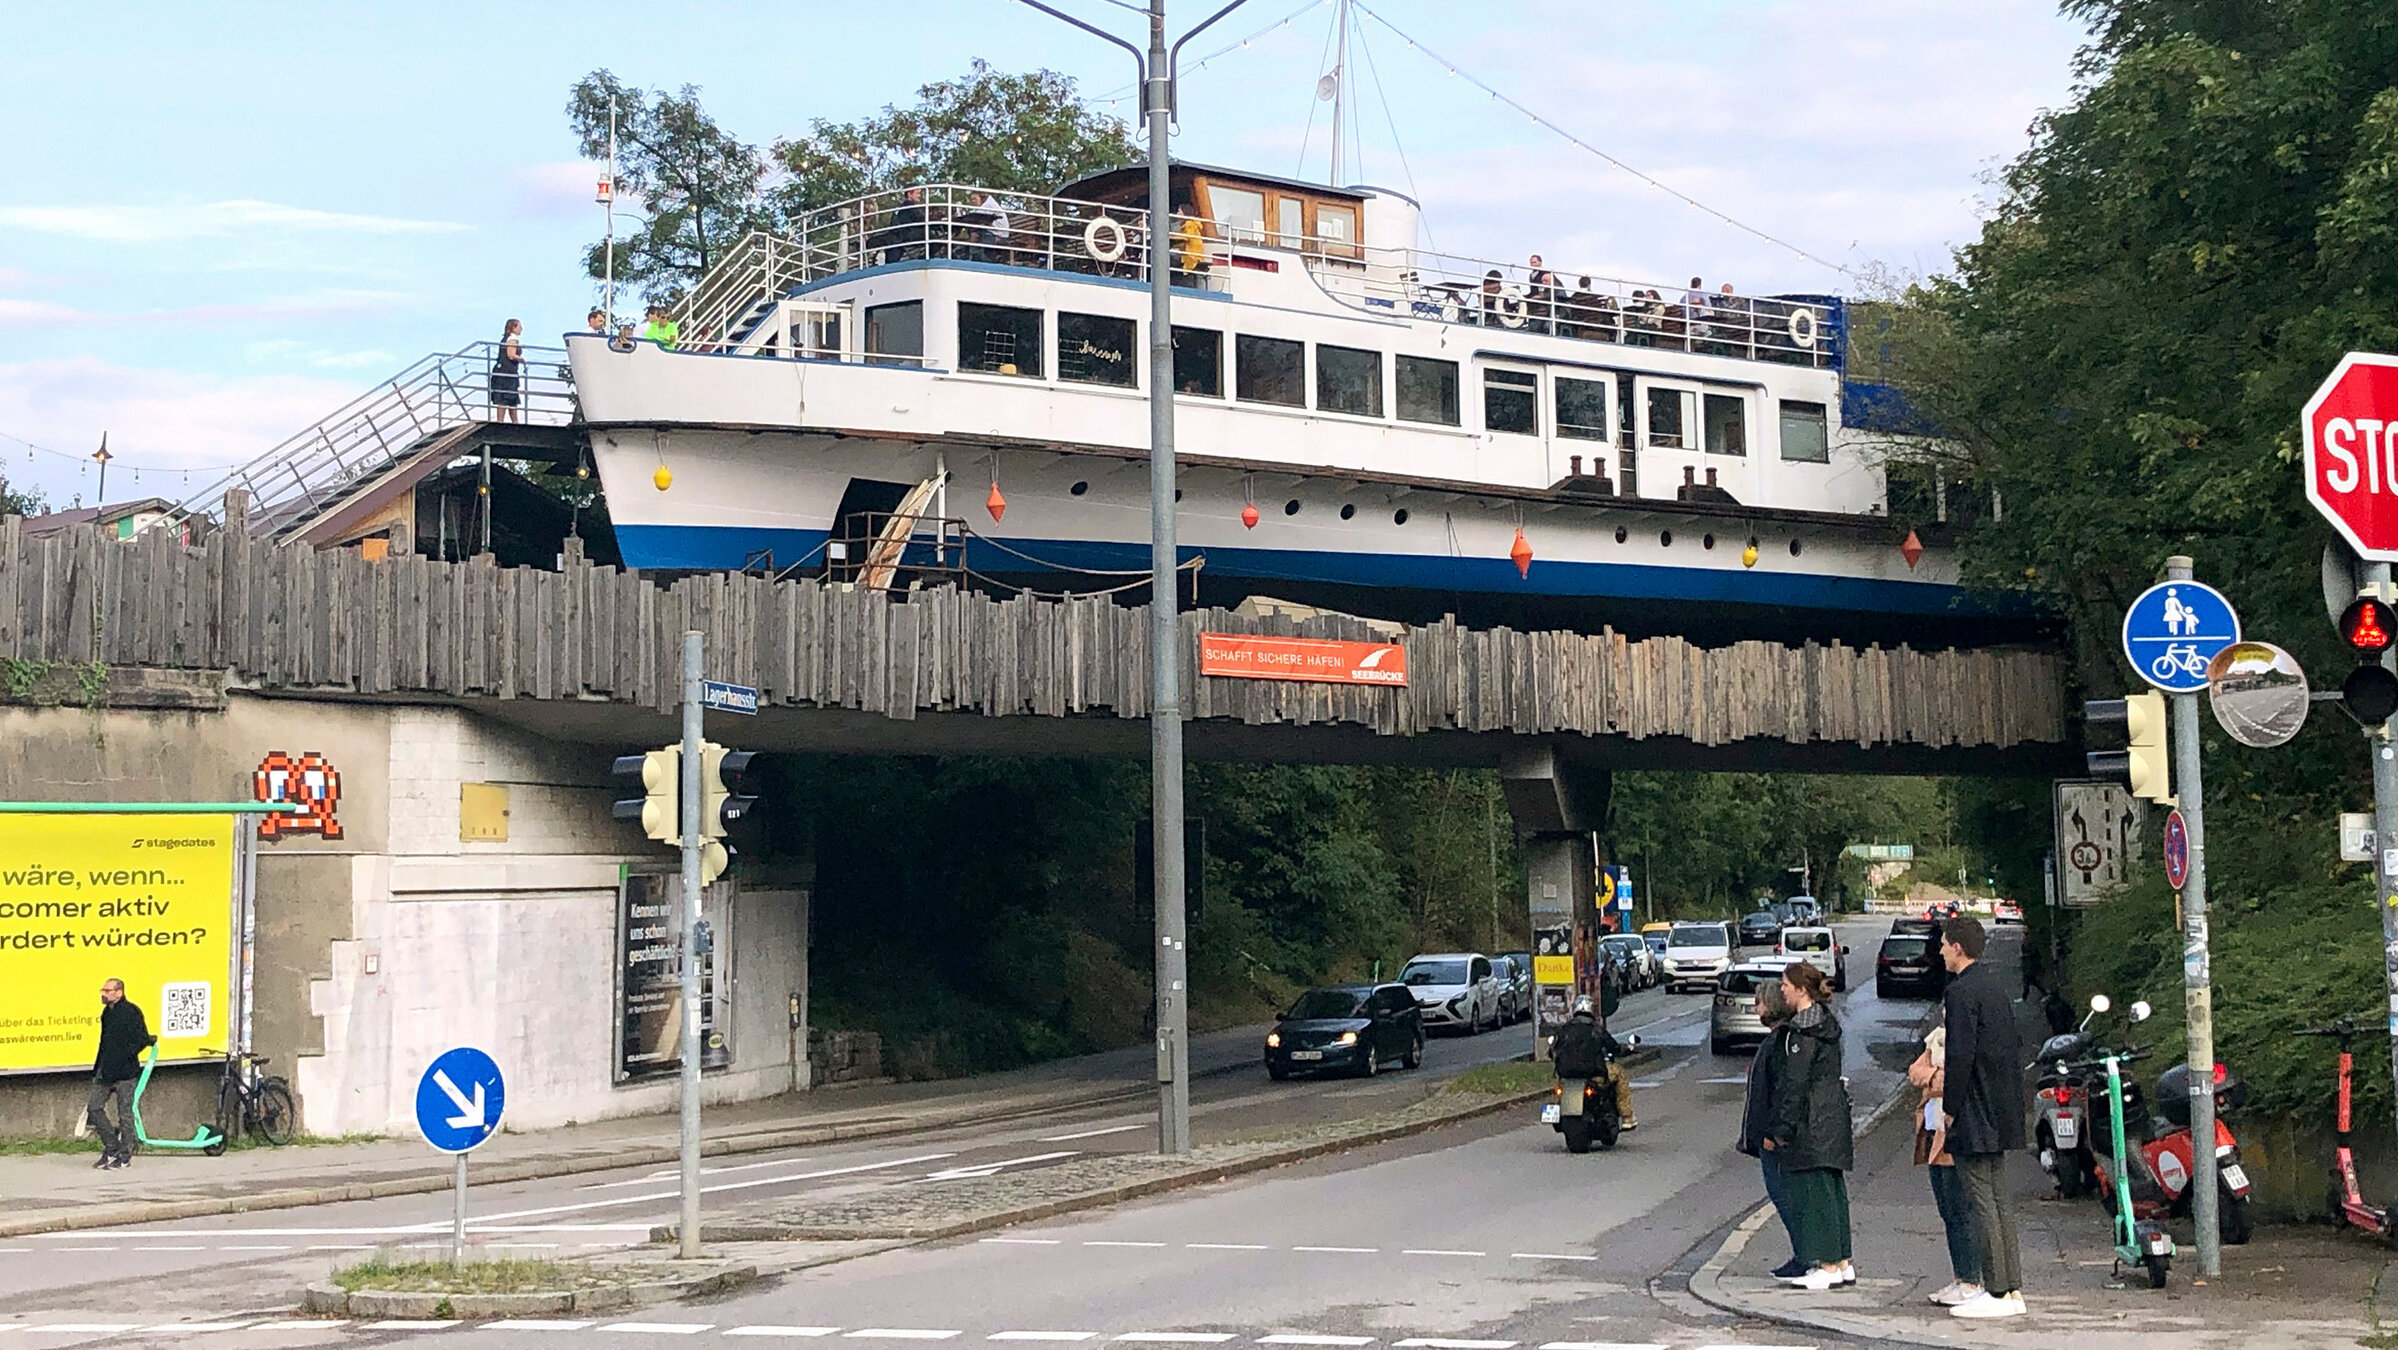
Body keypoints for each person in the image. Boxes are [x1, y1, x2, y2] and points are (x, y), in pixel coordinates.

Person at [1941, 916, 2027, 1319]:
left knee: (1981, 1203)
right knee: (1998, 1199)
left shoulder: (1960, 993)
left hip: (1973, 1109)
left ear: (1958, 947)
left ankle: (1995, 1290)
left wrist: (1949, 1108)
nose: (1940, 950)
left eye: (1944, 944)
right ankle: (2010, 1288)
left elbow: (1960, 1055)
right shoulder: (1995, 988)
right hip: (2001, 1106)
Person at [1763, 960, 1854, 1291]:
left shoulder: (1801, 1033)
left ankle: (1827, 1265)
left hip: (1811, 1125)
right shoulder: (1827, 1024)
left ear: (1801, 990)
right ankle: (1842, 1262)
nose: (1782, 990)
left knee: (1814, 1195)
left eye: (1786, 985)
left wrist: (1780, 1130)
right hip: (1832, 1119)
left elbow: (1794, 1086)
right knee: (1832, 1191)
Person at [1910, 1020, 1984, 1306]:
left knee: (1962, 1210)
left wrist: (1934, 1079)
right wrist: (1934, 1077)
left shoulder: (1968, 1043)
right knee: (1948, 1211)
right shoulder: (1936, 1039)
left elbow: (1954, 1081)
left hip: (1952, 1132)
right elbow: (1915, 1072)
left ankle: (1970, 1279)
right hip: (1931, 1129)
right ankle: (1959, 1278)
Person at [1739, 979, 1802, 1277]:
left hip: (1773, 1139)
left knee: (1785, 1196)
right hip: (1769, 1135)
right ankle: (1805, 1254)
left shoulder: (1780, 1042)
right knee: (1784, 1195)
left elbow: (1781, 1092)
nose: (1756, 1008)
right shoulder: (1776, 1040)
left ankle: (1805, 1255)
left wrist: (1773, 1133)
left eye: (1759, 1002)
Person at [1548, 993, 1635, 1129]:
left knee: (1559, 1089)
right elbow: (1614, 1047)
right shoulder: (1596, 1029)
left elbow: (1551, 1052)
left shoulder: (1564, 1029)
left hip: (1567, 1076)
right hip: (1594, 1075)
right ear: (1591, 1009)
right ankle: (1627, 1117)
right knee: (1619, 1074)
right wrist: (1627, 1049)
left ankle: (1558, 1112)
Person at [88, 978, 148, 1170]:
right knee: (94, 1108)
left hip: (125, 1073)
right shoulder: (107, 1013)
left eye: (107, 990)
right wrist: (97, 1068)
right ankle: (112, 1146)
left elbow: (142, 1039)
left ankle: (125, 1155)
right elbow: (103, 1042)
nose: (103, 994)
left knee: (125, 1115)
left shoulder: (131, 1012)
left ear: (119, 992)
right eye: (102, 989)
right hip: (105, 1072)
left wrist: (125, 1055)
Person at [488, 319, 524, 424]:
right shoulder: (513, 338)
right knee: (508, 397)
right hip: (508, 372)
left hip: (501, 370)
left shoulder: (505, 338)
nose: (521, 329)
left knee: (506, 398)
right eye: (519, 326)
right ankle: (510, 422)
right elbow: (511, 354)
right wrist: (521, 359)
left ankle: (504, 421)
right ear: (513, 328)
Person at [1527, 255, 1561, 334]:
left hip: (1546, 301)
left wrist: (1541, 296)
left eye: (1534, 262)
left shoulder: (1546, 273)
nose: (1532, 264)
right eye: (1531, 263)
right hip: (1536, 301)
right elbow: (1533, 291)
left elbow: (1555, 287)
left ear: (1540, 262)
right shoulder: (1531, 276)